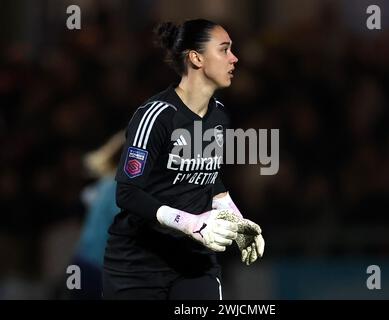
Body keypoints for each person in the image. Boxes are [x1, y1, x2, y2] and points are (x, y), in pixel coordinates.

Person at [102, 19, 265, 300]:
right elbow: (127, 193)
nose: (234, 58)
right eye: (224, 50)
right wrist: (191, 223)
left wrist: (238, 222)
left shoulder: (219, 116)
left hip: (194, 263)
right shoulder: (156, 116)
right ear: (196, 58)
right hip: (138, 264)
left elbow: (207, 179)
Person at [69, 130, 125, 299]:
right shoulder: (122, 188)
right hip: (99, 270)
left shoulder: (103, 185)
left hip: (78, 266)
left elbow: (87, 197)